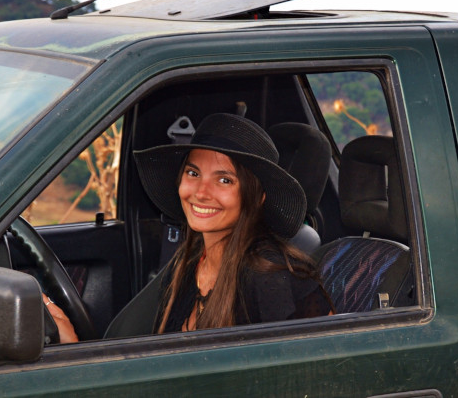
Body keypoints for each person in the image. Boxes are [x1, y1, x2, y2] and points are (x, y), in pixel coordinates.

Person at [133, 113, 334, 332]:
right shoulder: (186, 264)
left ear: (257, 197)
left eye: (224, 180)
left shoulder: (272, 279)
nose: (201, 193)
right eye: (193, 173)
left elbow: (310, 362)